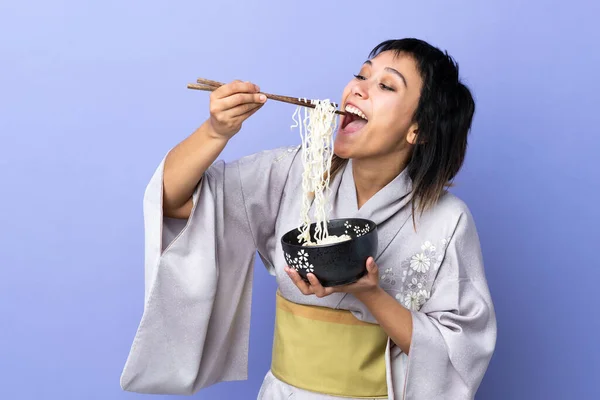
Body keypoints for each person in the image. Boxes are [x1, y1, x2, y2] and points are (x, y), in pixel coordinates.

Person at [119, 38, 497, 400]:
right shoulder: (296, 173)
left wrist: (369, 294)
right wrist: (216, 131)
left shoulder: (447, 220)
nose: (358, 89)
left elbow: (458, 351)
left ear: (419, 129)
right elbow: (175, 201)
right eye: (362, 75)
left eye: (385, 85)